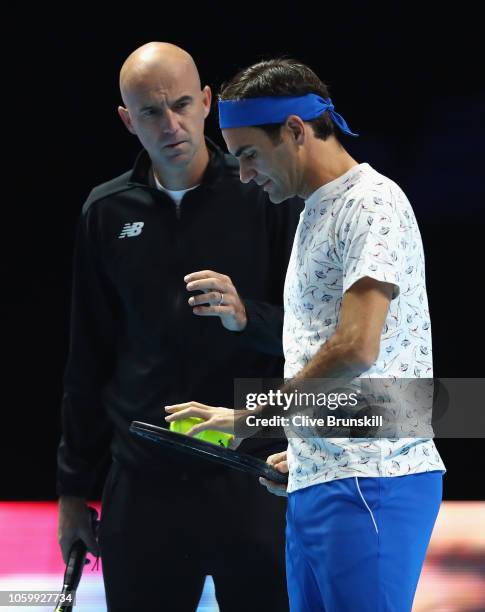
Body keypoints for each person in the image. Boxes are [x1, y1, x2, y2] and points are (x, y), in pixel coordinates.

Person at [165, 58, 447, 612]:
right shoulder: (313, 213)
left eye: (248, 154)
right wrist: (310, 450)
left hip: (373, 484)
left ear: (295, 131)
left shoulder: (372, 202)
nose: (243, 174)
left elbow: (357, 348)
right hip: (324, 482)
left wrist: (256, 418)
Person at [57, 44, 302, 612]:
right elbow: (86, 359)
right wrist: (73, 490)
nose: (171, 125)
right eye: (151, 112)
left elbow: (319, 338)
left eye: (183, 105)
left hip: (253, 470)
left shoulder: (264, 192)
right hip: (144, 483)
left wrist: (248, 315)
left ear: (208, 103)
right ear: (127, 119)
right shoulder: (106, 212)